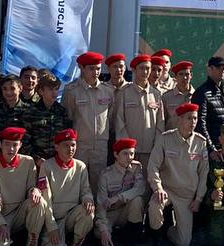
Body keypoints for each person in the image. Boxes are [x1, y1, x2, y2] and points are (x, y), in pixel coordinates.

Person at [147, 102, 209, 246]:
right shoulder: (165, 139)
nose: (193, 122)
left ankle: (169, 231)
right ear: (179, 120)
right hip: (167, 190)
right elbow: (152, 166)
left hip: (186, 196)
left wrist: (199, 199)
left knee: (183, 243)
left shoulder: (200, 142)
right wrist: (158, 188)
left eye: (195, 118)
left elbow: (204, 173)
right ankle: (157, 241)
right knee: (155, 204)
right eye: (189, 118)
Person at [0, 127, 47, 246]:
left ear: (20, 145)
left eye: (15, 144)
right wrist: (2, 223)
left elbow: (30, 187)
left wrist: (35, 190)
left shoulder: (28, 162)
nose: (11, 148)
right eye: (7, 144)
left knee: (39, 201)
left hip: (19, 212)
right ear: (0, 145)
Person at [62, 51, 116, 190]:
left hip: (100, 145)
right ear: (82, 68)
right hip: (80, 145)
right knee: (77, 180)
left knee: (98, 182)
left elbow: (110, 116)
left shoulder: (108, 90)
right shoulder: (72, 91)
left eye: (98, 68)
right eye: (91, 68)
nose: (96, 72)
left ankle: (97, 211)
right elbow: (69, 116)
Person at [41, 129, 96, 246]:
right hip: (53, 218)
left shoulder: (80, 166)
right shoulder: (47, 166)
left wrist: (88, 199)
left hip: (71, 216)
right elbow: (45, 199)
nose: (70, 149)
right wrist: (51, 226)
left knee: (88, 211)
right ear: (56, 147)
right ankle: (46, 244)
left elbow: (85, 190)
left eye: (73, 145)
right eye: (66, 145)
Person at [94, 135, 147, 246]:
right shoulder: (106, 174)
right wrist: (103, 229)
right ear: (116, 155)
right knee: (99, 233)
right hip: (110, 213)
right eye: (125, 154)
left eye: (132, 154)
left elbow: (140, 188)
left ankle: (130, 241)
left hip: (125, 210)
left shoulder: (136, 167)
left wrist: (118, 197)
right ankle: (112, 234)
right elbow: (101, 203)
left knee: (137, 201)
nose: (129, 157)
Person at [114, 54, 165, 172]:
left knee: (148, 182)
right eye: (142, 68)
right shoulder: (125, 93)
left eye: (148, 68)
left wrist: (157, 146)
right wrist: (126, 147)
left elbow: (160, 123)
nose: (145, 71)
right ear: (134, 70)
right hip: (129, 152)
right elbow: (119, 121)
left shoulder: (156, 94)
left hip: (150, 149)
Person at [192, 56, 224, 153]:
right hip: (211, 150)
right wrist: (211, 149)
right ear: (210, 69)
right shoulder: (202, 92)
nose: (222, 71)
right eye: (219, 68)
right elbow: (200, 123)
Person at [26, 71, 70, 161]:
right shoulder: (31, 112)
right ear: (41, 91)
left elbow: (66, 137)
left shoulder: (62, 111)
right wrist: (36, 158)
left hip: (57, 160)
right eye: (50, 89)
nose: (54, 92)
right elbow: (25, 140)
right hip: (36, 161)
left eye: (56, 89)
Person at [160, 60, 195, 128]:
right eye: (181, 74)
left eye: (187, 74)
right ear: (175, 77)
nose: (184, 78)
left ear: (191, 75)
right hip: (171, 136)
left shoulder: (197, 95)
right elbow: (161, 121)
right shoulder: (166, 97)